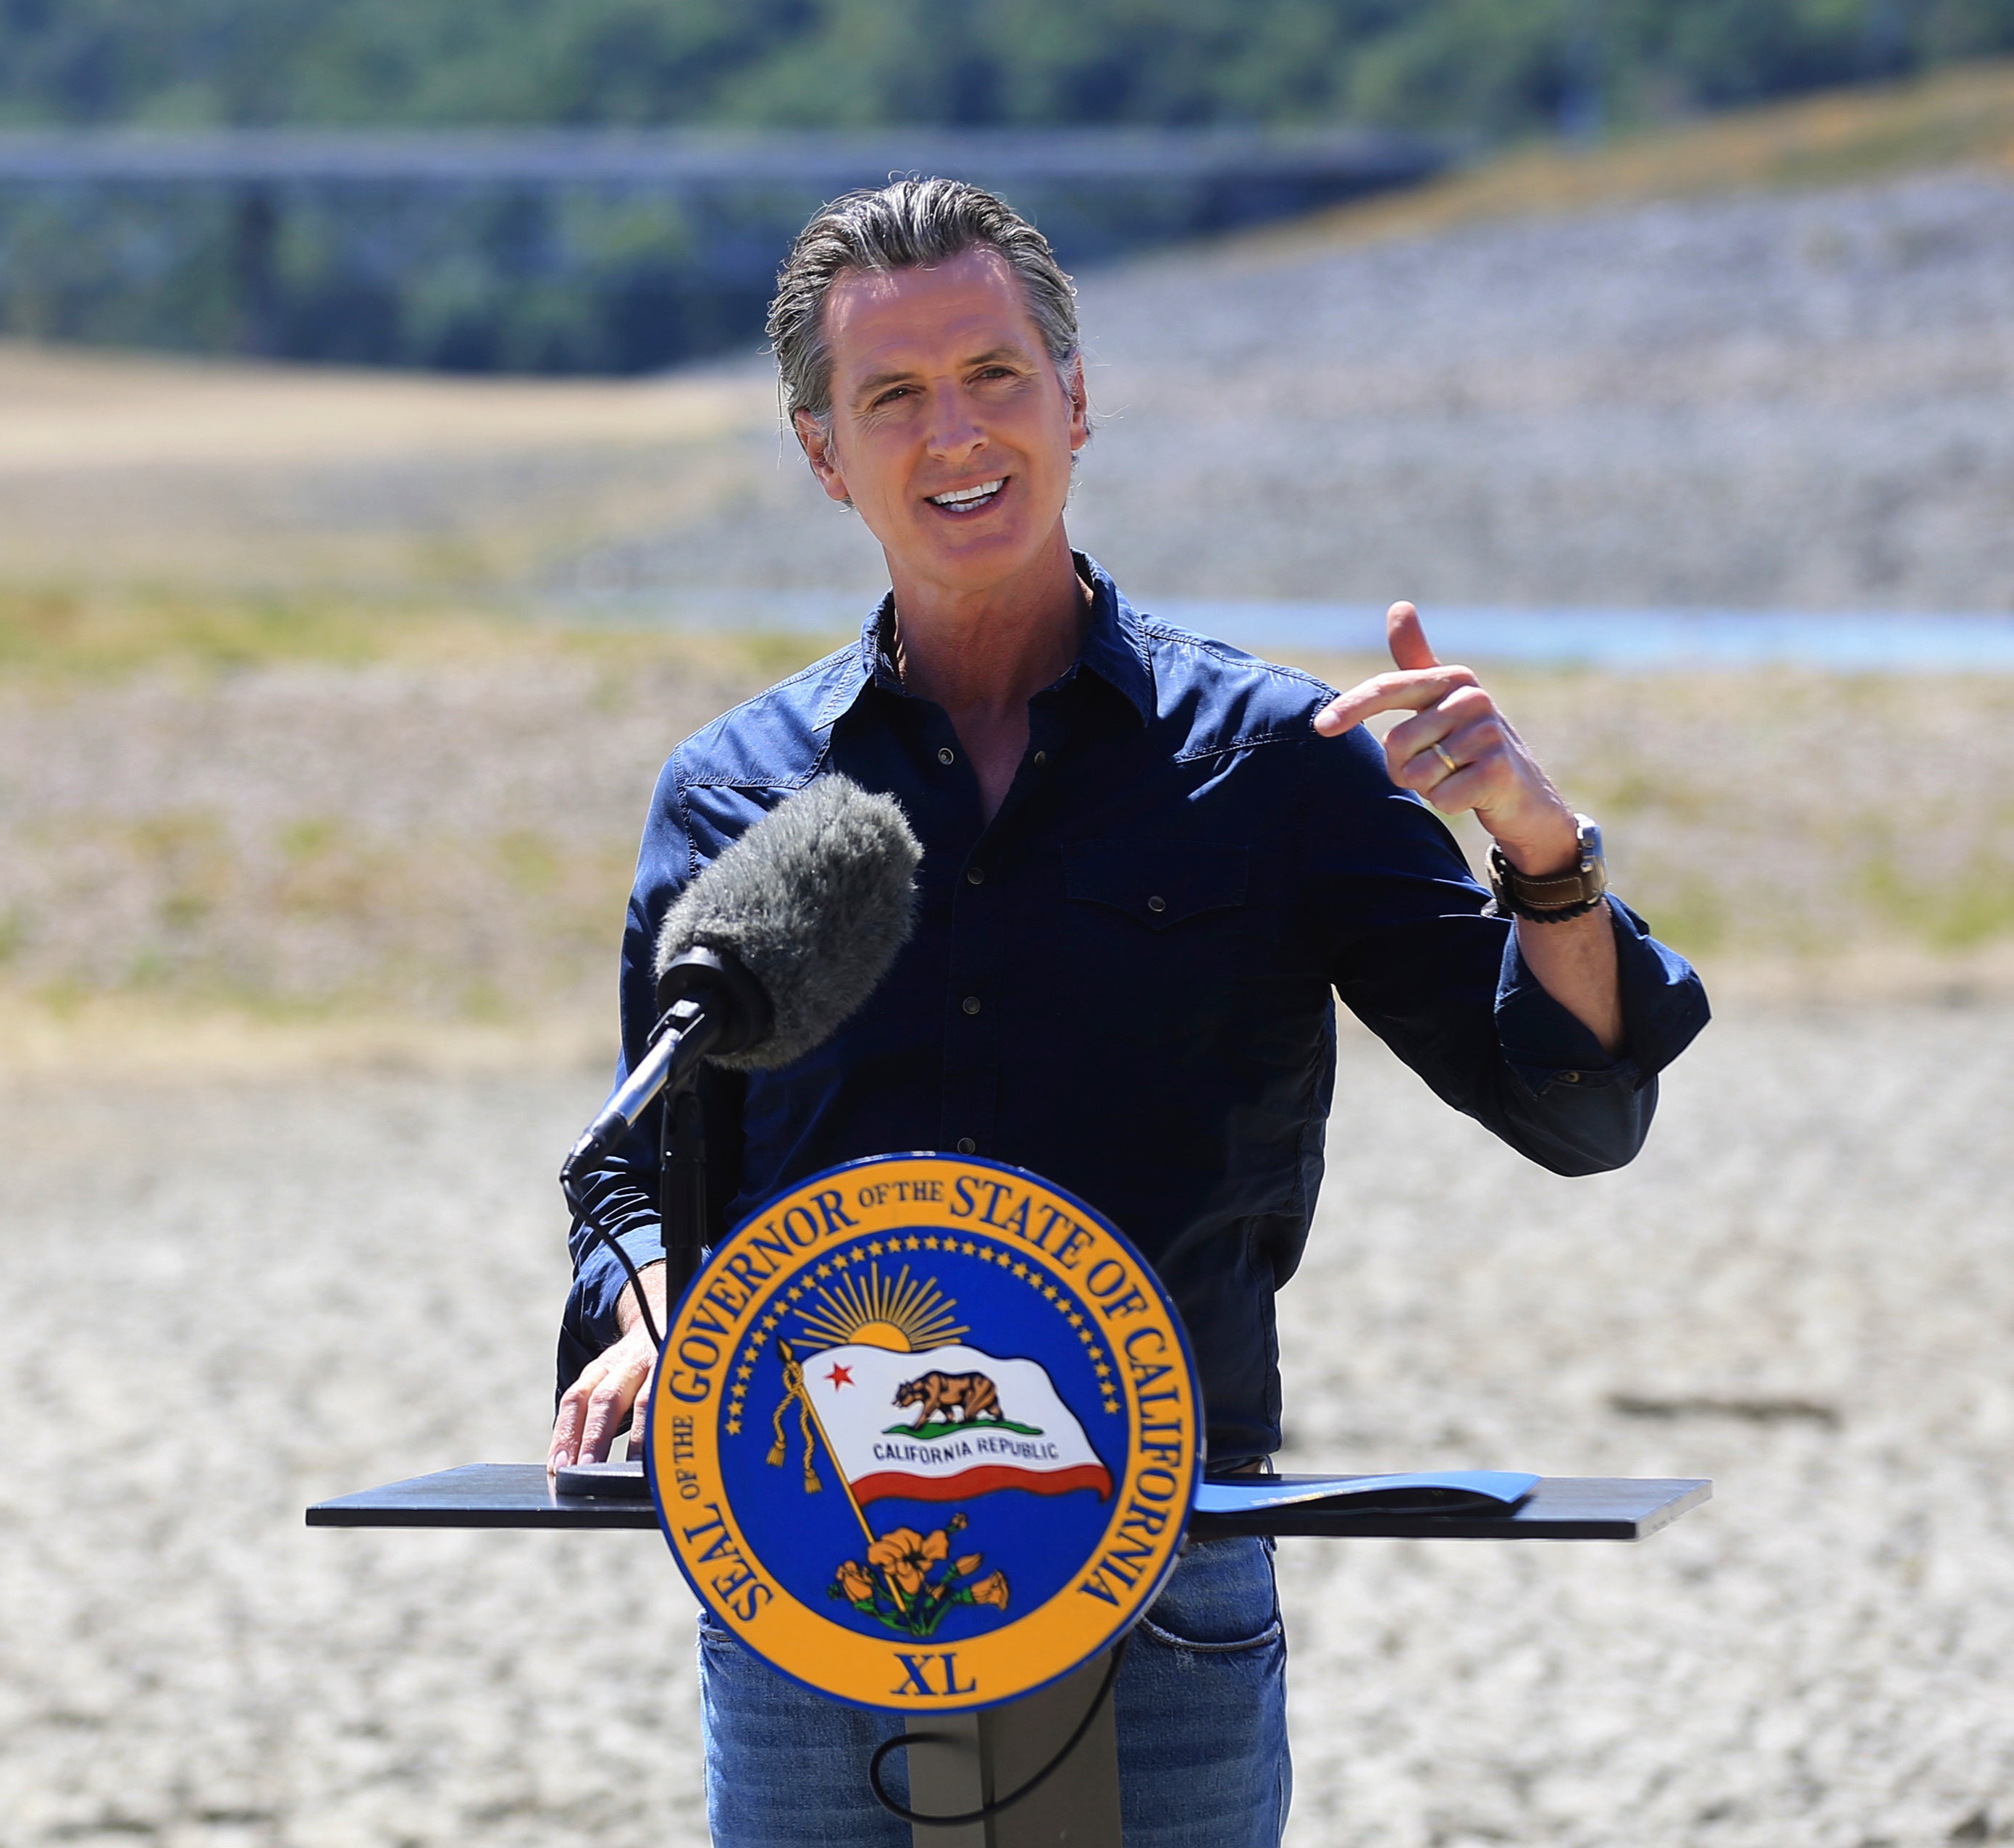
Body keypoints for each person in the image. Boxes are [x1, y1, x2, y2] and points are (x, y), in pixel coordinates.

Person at [547, 179, 1710, 1847]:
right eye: (894, 395)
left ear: (1076, 401)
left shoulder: (1278, 763)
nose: (958, 430)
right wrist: (648, 1312)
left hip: (1156, 1583)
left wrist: (1540, 850)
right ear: (823, 453)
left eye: (996, 375)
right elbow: (636, 1164)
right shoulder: (735, 792)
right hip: (803, 1586)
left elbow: (1579, 1104)